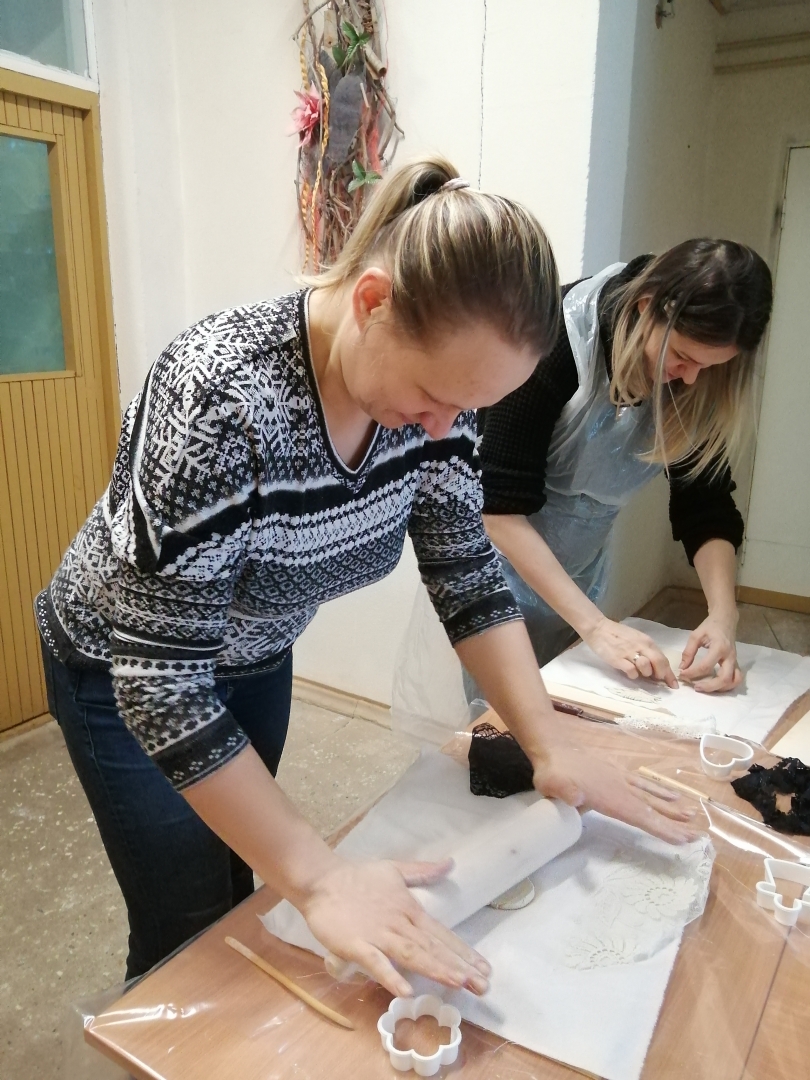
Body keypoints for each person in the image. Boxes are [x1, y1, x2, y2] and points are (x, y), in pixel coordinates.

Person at [36, 158, 694, 1001]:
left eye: (467, 409)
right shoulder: (221, 397)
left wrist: (548, 745)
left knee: (241, 872)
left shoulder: (444, 411)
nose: (443, 429)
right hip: (122, 668)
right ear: (372, 301)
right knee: (187, 922)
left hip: (256, 651)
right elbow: (161, 683)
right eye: (432, 397)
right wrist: (320, 879)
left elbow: (465, 571)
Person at [477, 242, 773, 692]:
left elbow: (705, 504)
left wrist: (722, 615)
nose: (691, 377)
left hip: (579, 579)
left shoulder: (692, 377)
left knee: (566, 707)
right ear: (646, 306)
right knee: (494, 718)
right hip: (490, 574)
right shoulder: (553, 338)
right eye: (683, 357)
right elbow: (498, 508)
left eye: (710, 367)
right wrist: (596, 627)